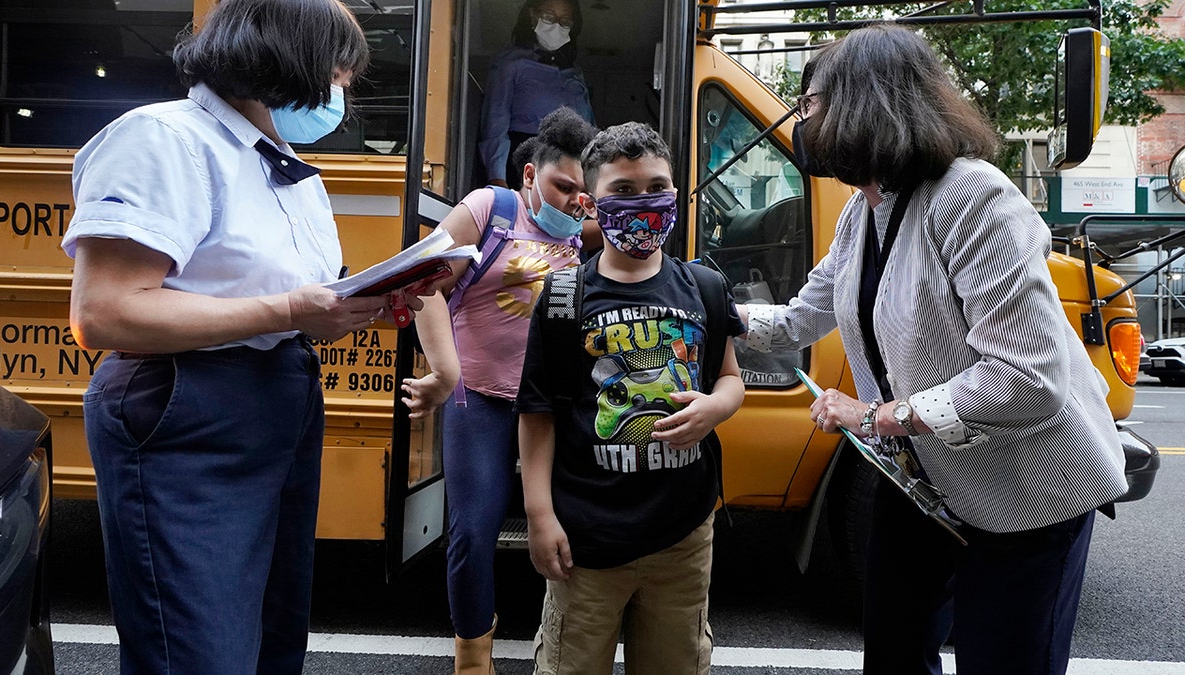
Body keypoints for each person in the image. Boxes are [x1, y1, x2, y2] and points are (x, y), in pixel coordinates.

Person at [739, 24, 1128, 675]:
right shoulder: (858, 214)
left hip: (1028, 491)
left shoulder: (973, 198)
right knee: (891, 651)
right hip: (922, 479)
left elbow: (1027, 378)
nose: (799, 122)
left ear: (863, 103)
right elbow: (797, 319)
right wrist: (710, 308)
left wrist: (875, 416)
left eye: (807, 105)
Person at [60, 1, 424, 672]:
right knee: (201, 652)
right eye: (339, 74)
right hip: (189, 410)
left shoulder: (278, 163)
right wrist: (288, 308)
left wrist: (364, 303)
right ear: (288, 59)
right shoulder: (162, 139)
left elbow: (283, 303)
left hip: (277, 404)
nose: (342, 94)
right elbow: (105, 313)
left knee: (269, 643)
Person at [516, 122, 746, 673]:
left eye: (656, 187)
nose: (643, 201)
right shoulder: (564, 297)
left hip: (683, 537)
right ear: (593, 203)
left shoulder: (704, 288)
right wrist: (539, 514)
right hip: (586, 541)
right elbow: (538, 410)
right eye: (623, 190)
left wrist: (716, 407)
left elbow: (730, 378)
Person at [399, 106, 597, 674]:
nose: (573, 202)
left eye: (584, 194)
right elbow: (424, 284)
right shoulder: (491, 209)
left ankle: (564, 649)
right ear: (530, 174)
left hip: (552, 407)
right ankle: (473, 662)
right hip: (480, 399)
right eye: (563, 186)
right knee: (471, 534)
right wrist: (445, 372)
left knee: (572, 530)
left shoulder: (586, 232)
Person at [479, 0, 594, 190]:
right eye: (549, 16)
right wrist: (497, 178)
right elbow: (495, 120)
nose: (557, 25)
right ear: (532, 16)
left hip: (571, 161)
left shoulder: (575, 71)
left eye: (565, 20)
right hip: (524, 156)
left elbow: (589, 123)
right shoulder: (510, 62)